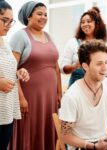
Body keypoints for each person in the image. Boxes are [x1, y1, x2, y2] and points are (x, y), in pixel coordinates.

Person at [59, 39, 107, 150]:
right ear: (85, 66)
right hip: (82, 147)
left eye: (105, 62)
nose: (105, 68)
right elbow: (65, 136)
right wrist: (93, 146)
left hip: (102, 143)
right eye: (99, 63)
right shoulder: (72, 96)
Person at [8, 1, 61, 150]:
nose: (43, 17)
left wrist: (58, 92)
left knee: (48, 127)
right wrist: (21, 98)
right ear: (28, 16)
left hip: (49, 98)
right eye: (39, 14)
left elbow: (55, 67)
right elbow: (11, 69)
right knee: (29, 129)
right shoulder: (20, 36)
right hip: (29, 97)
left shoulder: (49, 36)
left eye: (45, 14)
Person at [0, 0, 30, 150]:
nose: (8, 25)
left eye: (11, 21)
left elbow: (7, 69)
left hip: (6, 109)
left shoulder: (5, 43)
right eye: (5, 20)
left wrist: (18, 72)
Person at [59, 6, 107, 87]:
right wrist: (75, 66)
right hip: (76, 88)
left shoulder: (103, 45)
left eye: (89, 21)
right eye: (82, 22)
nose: (85, 24)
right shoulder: (72, 43)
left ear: (96, 24)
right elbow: (62, 69)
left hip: (97, 88)